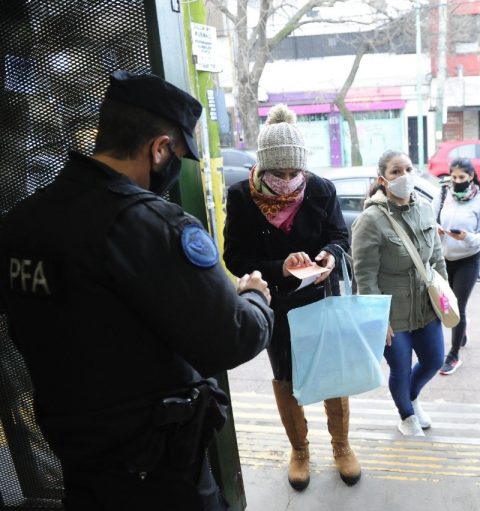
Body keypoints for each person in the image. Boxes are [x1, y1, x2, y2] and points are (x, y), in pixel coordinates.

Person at [0, 70, 275, 511]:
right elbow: (234, 336)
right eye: (179, 155)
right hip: (157, 469)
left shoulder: (22, 221)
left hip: (77, 457)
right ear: (160, 148)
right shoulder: (147, 225)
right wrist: (255, 296)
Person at [223, 104, 358, 491]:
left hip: (319, 299)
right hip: (276, 305)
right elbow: (235, 257)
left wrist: (331, 254)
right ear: (261, 168)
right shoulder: (241, 197)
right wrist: (280, 266)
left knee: (332, 374)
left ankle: (342, 445)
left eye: (293, 172)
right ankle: (299, 450)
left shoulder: (320, 189)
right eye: (277, 173)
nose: (286, 181)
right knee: (285, 376)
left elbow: (340, 236)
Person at [351, 150, 447, 437]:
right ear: (383, 179)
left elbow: (437, 259)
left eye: (408, 168)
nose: (404, 176)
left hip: (427, 306)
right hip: (393, 313)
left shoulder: (425, 209)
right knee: (400, 369)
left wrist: (445, 296)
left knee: (434, 360)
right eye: (395, 171)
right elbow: (364, 275)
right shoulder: (370, 220)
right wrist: (378, 319)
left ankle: (412, 397)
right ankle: (406, 415)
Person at [432, 158, 480, 375]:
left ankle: (454, 354)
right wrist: (436, 229)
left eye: (462, 178)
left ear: (471, 177)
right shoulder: (442, 195)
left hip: (468, 260)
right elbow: (429, 221)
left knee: (457, 307)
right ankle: (461, 332)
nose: (457, 182)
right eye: (454, 177)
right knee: (443, 303)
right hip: (443, 259)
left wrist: (469, 238)